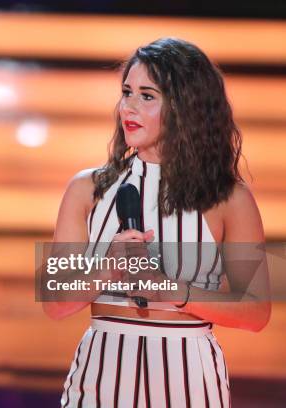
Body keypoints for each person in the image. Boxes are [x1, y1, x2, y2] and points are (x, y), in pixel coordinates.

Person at [44, 37, 271, 407]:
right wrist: (107, 269)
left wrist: (172, 291)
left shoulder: (230, 197)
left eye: (147, 96)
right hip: (100, 380)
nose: (128, 107)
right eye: (126, 92)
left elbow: (256, 311)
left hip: (191, 382)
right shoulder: (87, 188)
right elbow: (54, 302)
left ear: (186, 108)